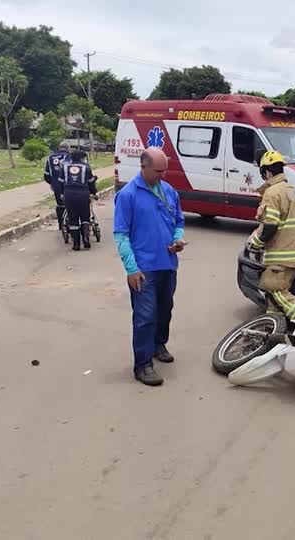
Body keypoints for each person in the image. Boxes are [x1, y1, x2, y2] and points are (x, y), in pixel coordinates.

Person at [113, 147, 185, 387]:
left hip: (168, 265)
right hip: (143, 269)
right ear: (143, 167)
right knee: (144, 317)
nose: (162, 175)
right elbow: (121, 235)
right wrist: (131, 269)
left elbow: (178, 222)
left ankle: (158, 344)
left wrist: (178, 239)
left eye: (165, 170)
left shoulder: (169, 191)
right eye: (157, 171)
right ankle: (142, 365)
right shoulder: (128, 195)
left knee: (165, 309)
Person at [247, 150, 295, 320]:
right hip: (294, 254)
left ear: (266, 172)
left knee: (275, 290)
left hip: (280, 257)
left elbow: (270, 226)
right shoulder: (294, 192)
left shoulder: (273, 193)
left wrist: (255, 243)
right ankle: (273, 329)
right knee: (273, 302)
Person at [62, 150, 98, 251]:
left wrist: (62, 194)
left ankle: (76, 244)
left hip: (69, 194)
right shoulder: (86, 167)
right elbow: (91, 182)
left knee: (73, 219)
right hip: (83, 194)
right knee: (85, 217)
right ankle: (86, 238)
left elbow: (61, 182)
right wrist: (94, 192)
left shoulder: (65, 167)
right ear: (82, 158)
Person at [44, 142, 71, 232]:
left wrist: (52, 183)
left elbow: (46, 174)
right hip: (68, 184)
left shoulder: (50, 157)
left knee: (60, 205)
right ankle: (71, 223)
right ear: (68, 148)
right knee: (71, 204)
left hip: (56, 185)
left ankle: (61, 225)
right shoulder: (70, 157)